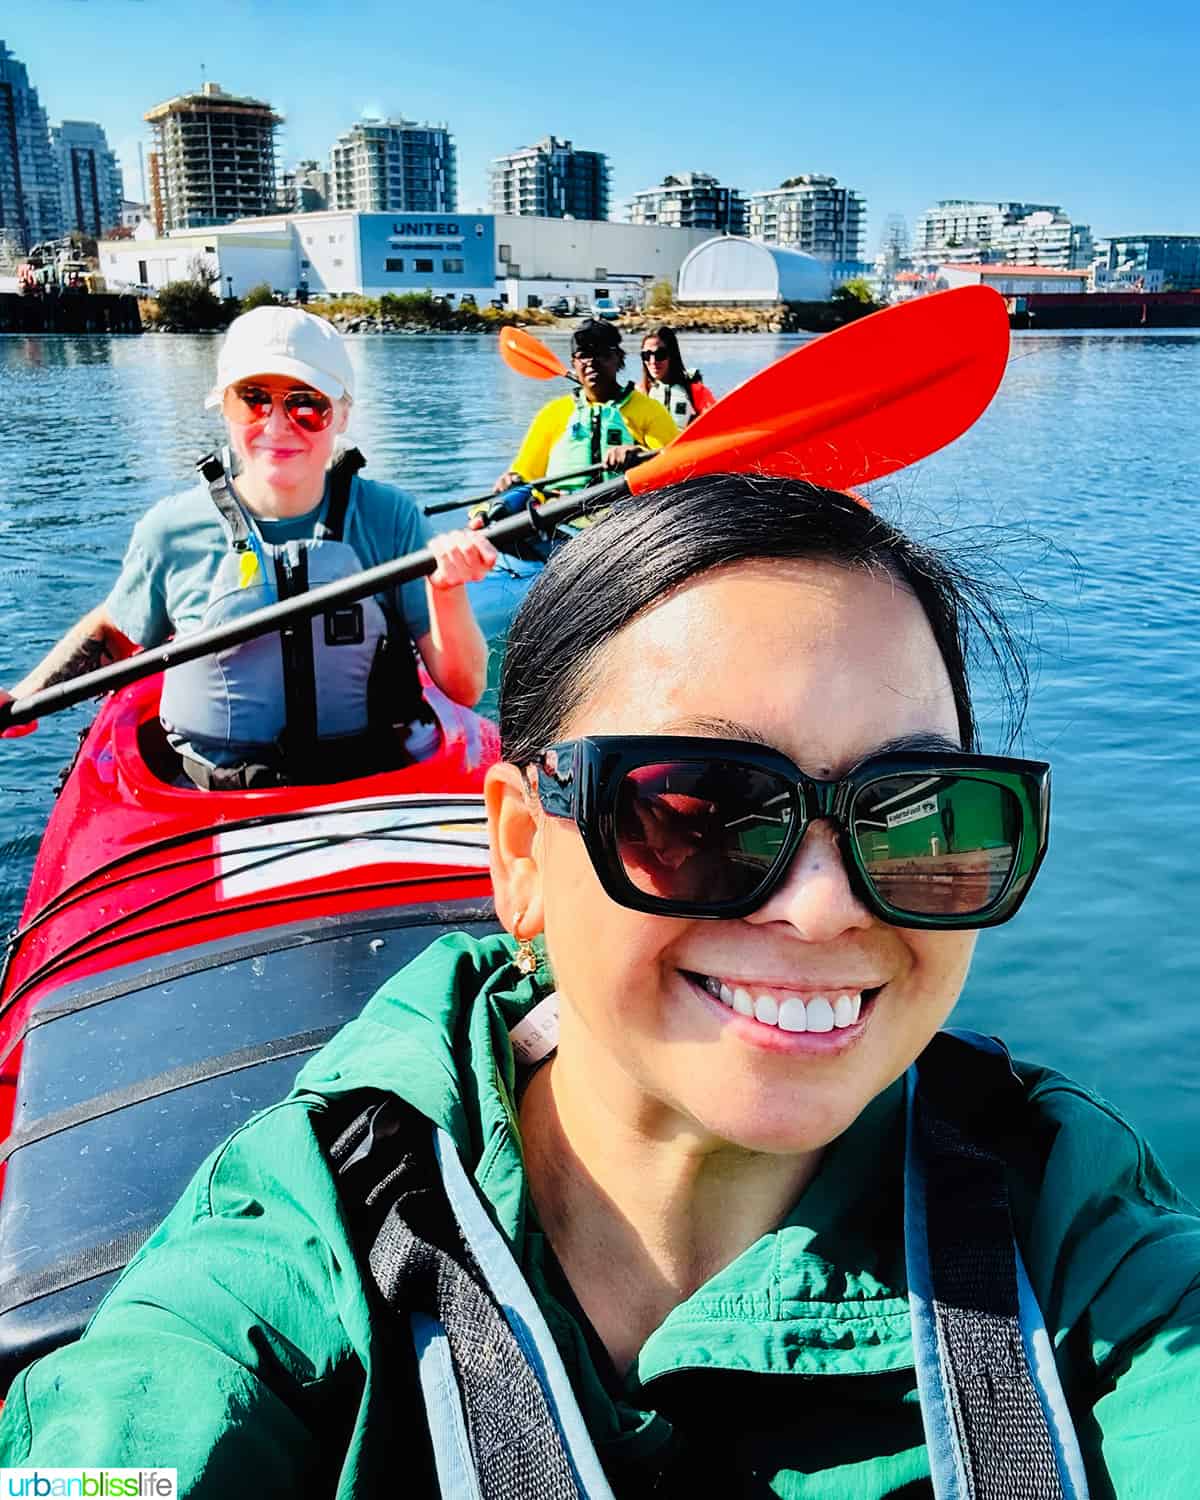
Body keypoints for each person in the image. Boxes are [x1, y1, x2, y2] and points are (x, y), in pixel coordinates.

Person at [4, 478, 1200, 1496]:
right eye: (694, 813)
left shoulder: (1085, 1241)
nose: (827, 907)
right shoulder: (290, 1262)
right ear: (520, 857)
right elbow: (115, 1452)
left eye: (922, 820)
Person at [0, 307, 498, 786]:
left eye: (307, 404)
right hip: (213, 798)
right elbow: (115, 630)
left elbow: (464, 688)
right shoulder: (170, 529)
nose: (278, 427)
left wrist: (446, 589)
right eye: (254, 399)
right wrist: (22, 697)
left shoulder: (391, 519)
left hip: (369, 779)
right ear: (224, 407)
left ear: (342, 413)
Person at [493, 319, 678, 494]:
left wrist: (642, 456)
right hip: (560, 515)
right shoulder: (553, 414)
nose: (591, 362)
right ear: (574, 363)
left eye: (602, 354)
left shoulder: (649, 410)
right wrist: (510, 481)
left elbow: (675, 464)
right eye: (583, 355)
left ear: (619, 359)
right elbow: (525, 474)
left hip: (626, 514)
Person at [636, 325, 716, 427]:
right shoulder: (639, 393)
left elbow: (716, 424)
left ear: (672, 355)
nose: (653, 361)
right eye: (646, 355)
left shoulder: (695, 391)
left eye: (660, 354)